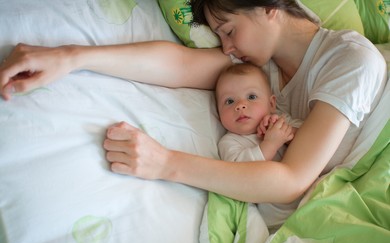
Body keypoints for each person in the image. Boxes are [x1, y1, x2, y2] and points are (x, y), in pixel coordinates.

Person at [0, 0, 387, 208]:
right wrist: (71, 57)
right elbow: (179, 64)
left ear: (270, 7)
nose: (227, 47)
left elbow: (289, 181)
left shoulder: (350, 59)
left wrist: (165, 163)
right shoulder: (262, 66)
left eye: (230, 30)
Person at [200, 62, 302, 243]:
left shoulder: (282, 121)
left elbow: (310, 140)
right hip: (276, 222)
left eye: (252, 97)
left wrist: (287, 133)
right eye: (229, 101)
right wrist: (269, 145)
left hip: (308, 199)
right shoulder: (230, 142)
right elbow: (239, 174)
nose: (240, 105)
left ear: (271, 103)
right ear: (219, 113)